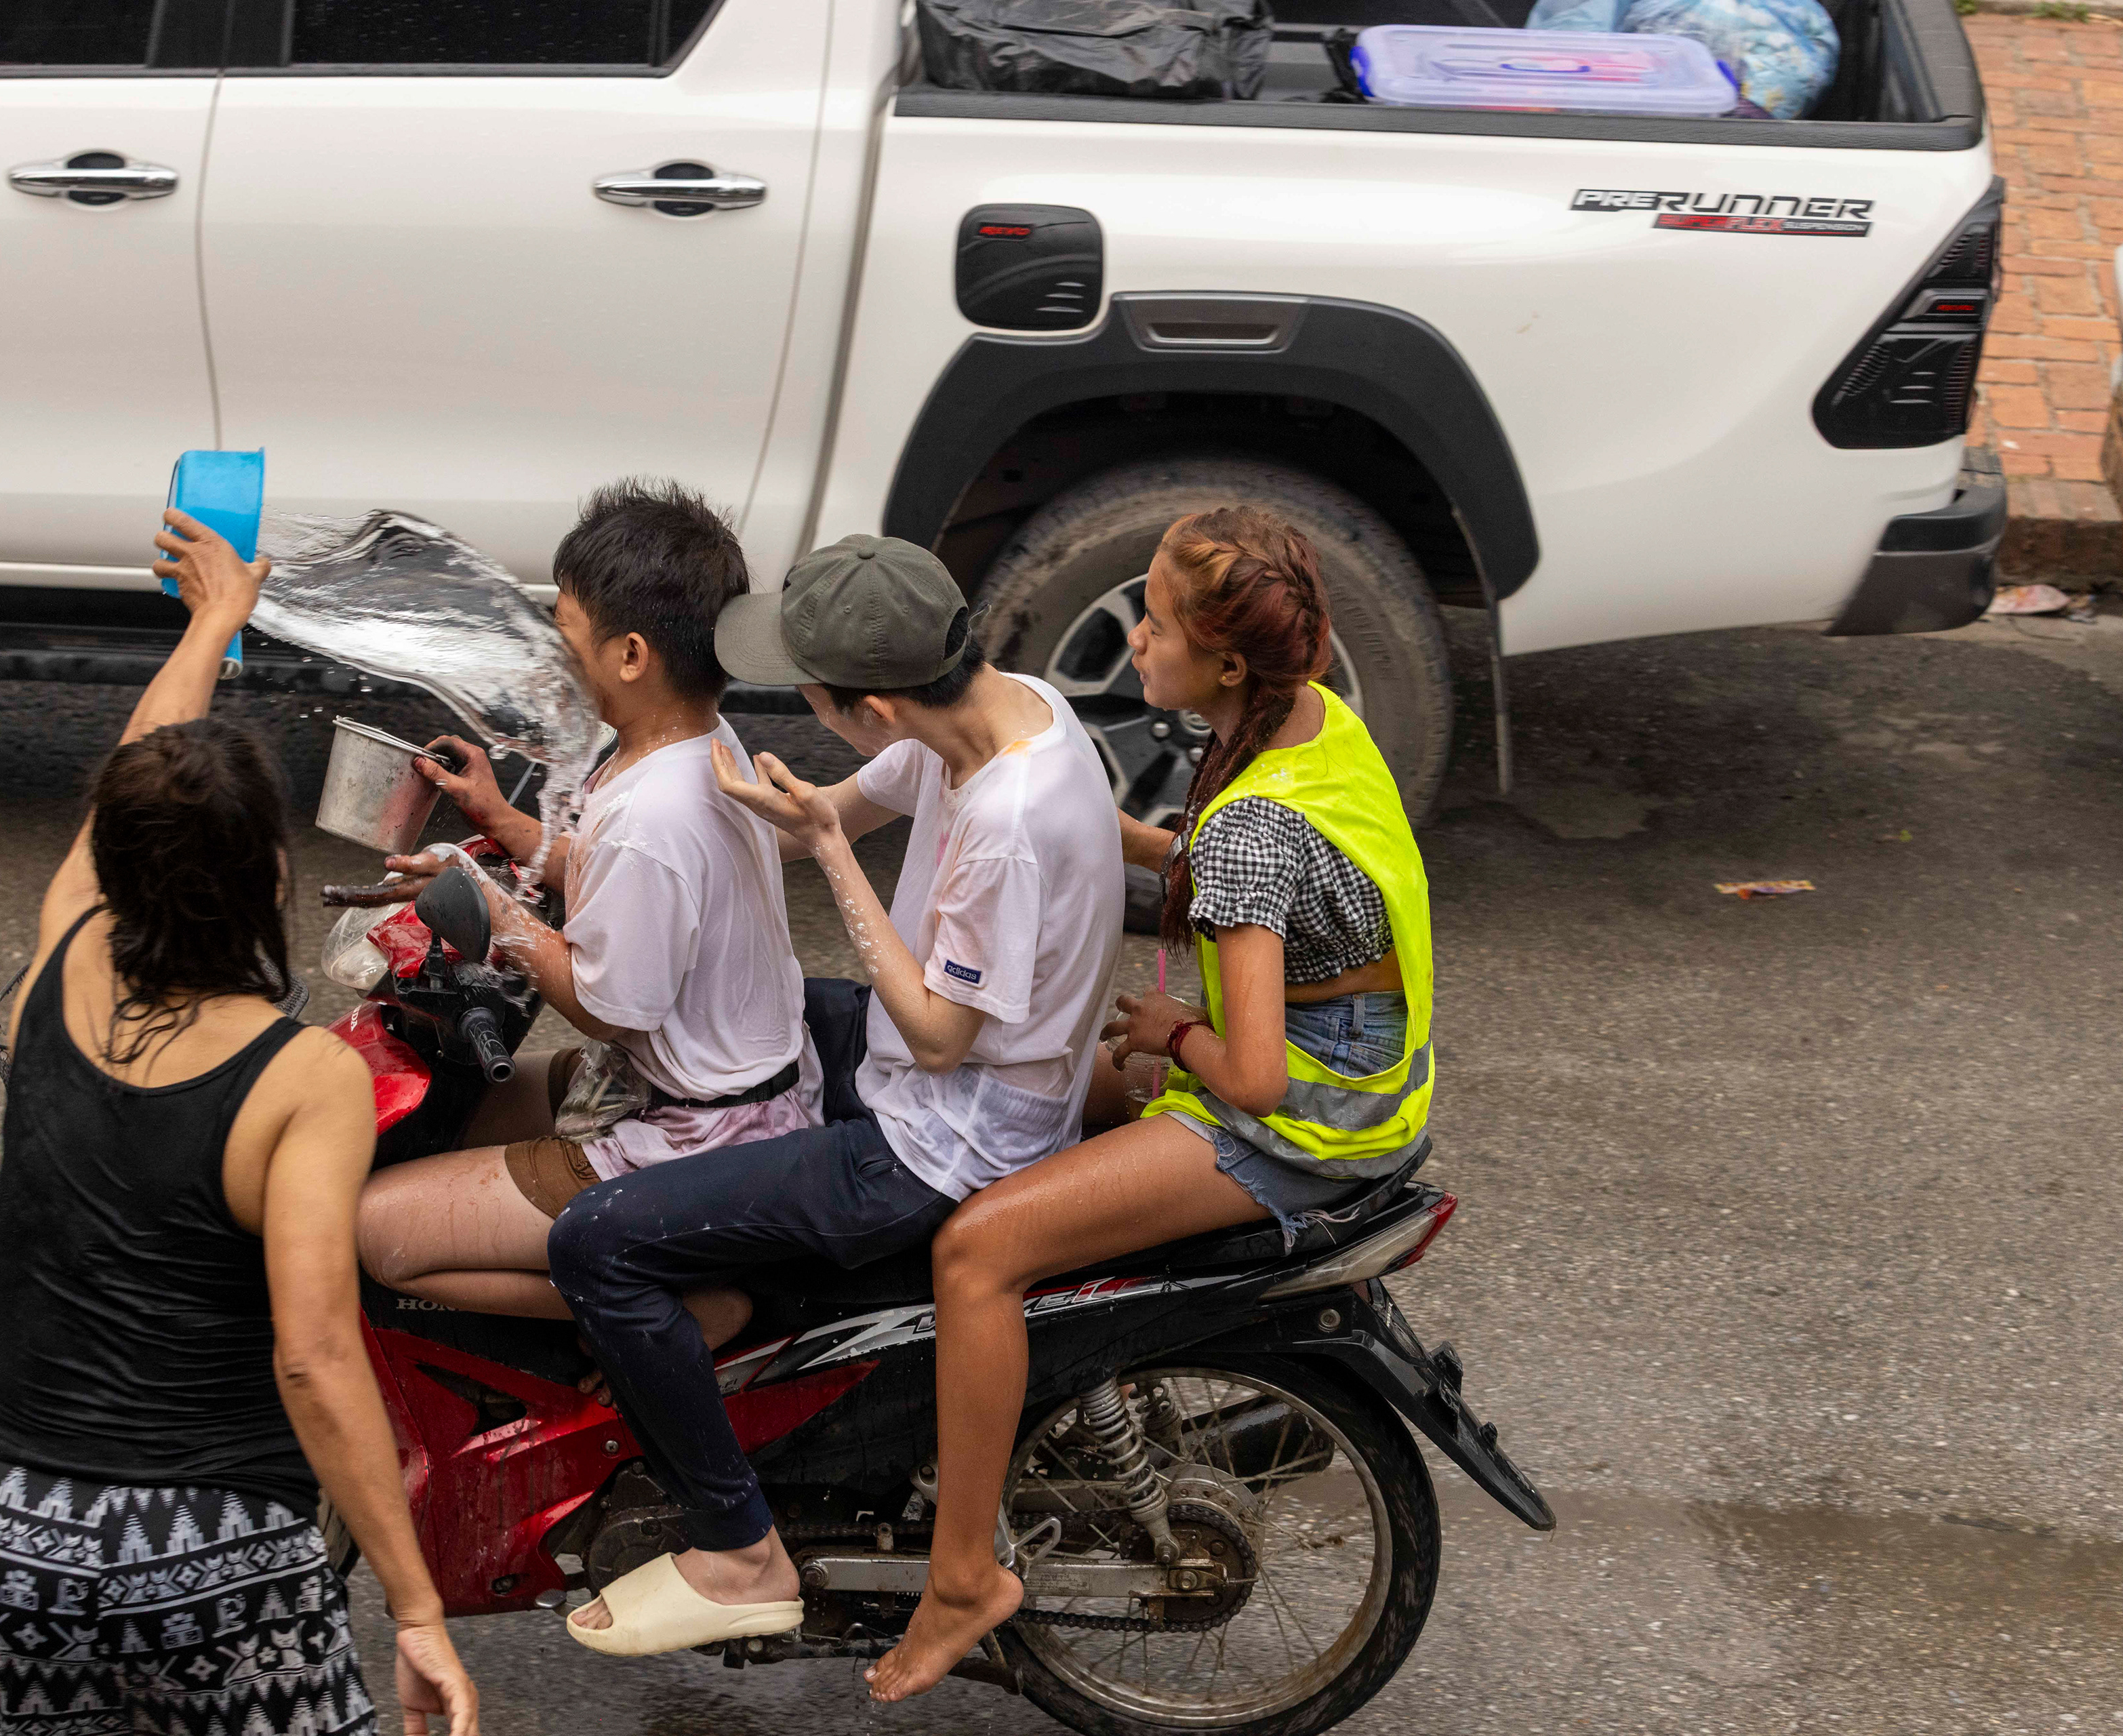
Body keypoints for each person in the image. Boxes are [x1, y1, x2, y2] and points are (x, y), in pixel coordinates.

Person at [866, 506, 1438, 1701]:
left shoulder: (1247, 832)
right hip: (1374, 1092)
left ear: (1226, 664)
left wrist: (1172, 1030)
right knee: (1046, 1099)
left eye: (1159, 623)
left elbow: (1258, 1073)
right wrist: (1092, 816)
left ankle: (961, 1575)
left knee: (977, 1251)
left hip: (1290, 1129)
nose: (1134, 637)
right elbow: (1210, 869)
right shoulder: (1312, 724)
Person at [0, 509, 477, 1735]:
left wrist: (217, 618)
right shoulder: (302, 1081)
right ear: (269, 882)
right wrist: (414, 1606)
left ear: (117, 864)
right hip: (216, 1552)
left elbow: (136, 775)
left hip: (17, 1532)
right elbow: (315, 1356)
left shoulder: (59, 965)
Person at [540, 534, 1124, 1658]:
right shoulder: (1011, 705)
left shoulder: (1005, 824)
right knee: (744, 1008)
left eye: (811, 690)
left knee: (596, 1245)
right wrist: (628, 825)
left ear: (874, 707)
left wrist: (828, 854)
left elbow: (940, 1034)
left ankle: (737, 1546)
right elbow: (835, 813)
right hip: (927, 1068)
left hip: (944, 1138)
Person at [355, 481, 812, 1356]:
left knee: (382, 1230)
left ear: (631, 653)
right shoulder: (691, 744)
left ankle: (678, 1309)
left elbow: (610, 1004)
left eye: (565, 628)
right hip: (717, 1097)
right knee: (459, 1118)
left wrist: (496, 915)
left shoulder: (656, 812)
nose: (553, 647)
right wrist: (499, 821)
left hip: (692, 1142)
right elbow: (620, 877)